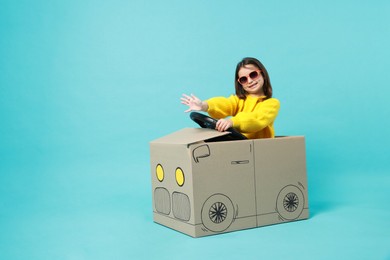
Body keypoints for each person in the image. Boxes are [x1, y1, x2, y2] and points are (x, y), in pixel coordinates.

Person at [181, 57, 280, 139]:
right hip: (238, 146)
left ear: (262, 74)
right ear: (240, 83)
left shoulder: (271, 104)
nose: (250, 81)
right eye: (244, 79)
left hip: (259, 149)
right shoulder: (238, 100)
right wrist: (204, 105)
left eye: (253, 75)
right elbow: (225, 104)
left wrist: (232, 121)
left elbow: (257, 119)